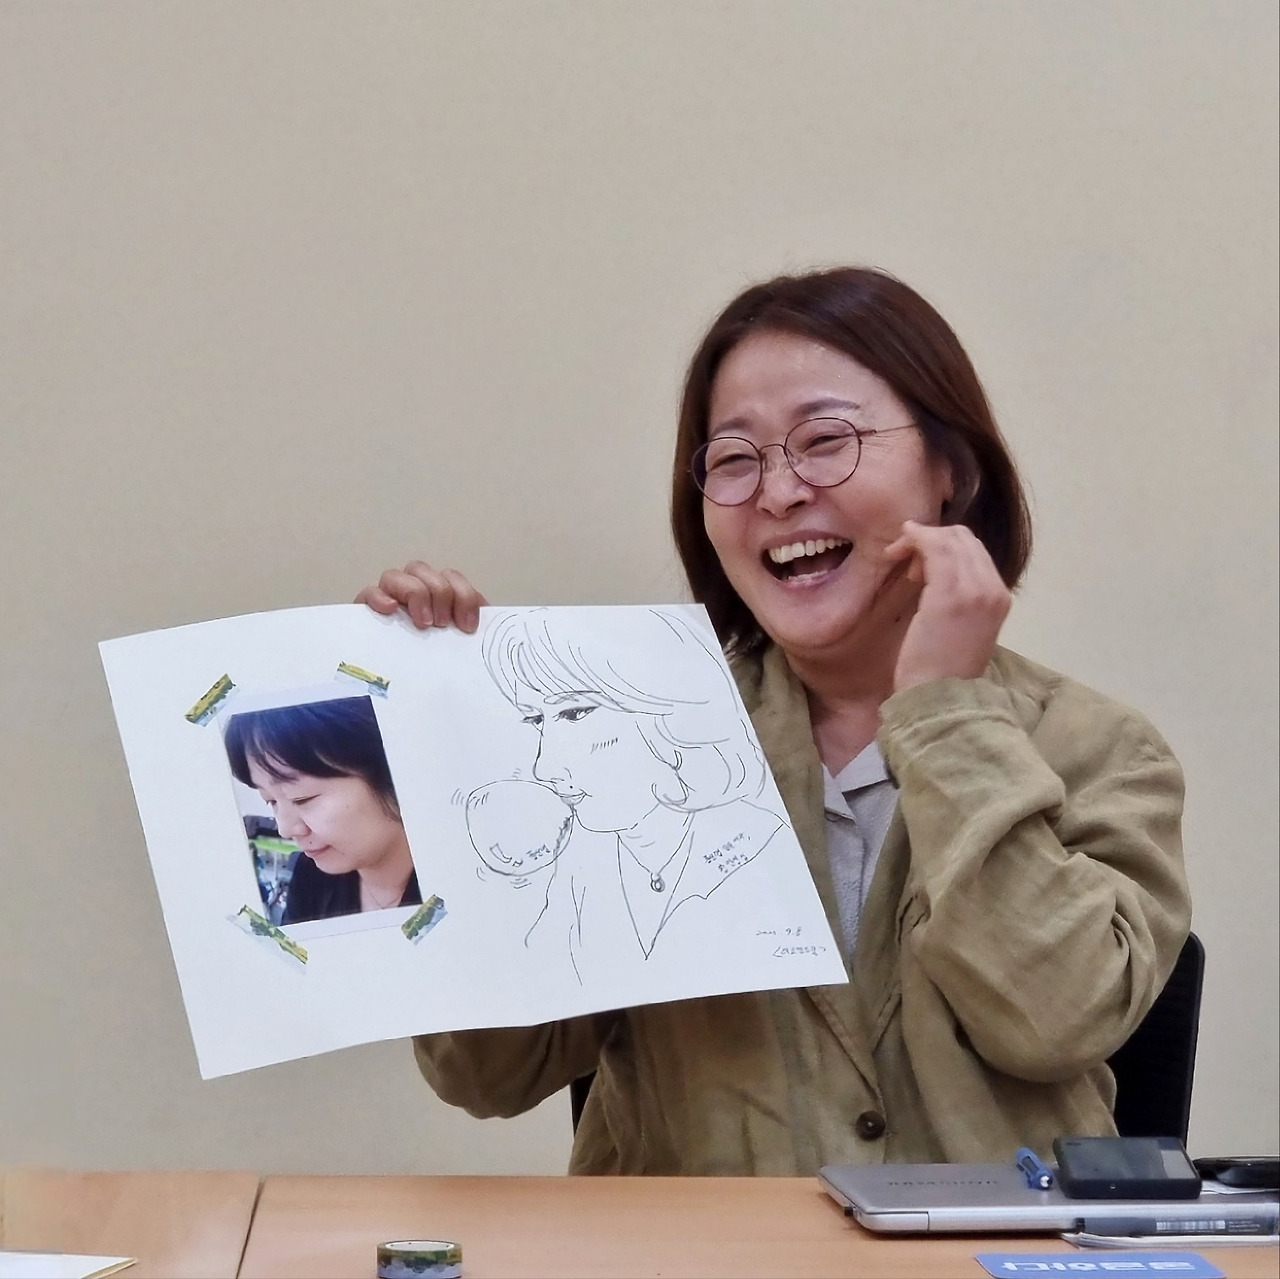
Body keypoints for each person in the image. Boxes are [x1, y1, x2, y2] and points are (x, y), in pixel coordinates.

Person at [356, 266, 1190, 1175]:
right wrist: (452, 753)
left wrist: (947, 715)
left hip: (988, 1250)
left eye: (826, 440)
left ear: (951, 471)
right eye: (734, 459)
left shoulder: (1097, 750)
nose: (780, 491)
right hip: (693, 1247)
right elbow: (485, 1071)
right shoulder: (635, 732)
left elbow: (1056, 1018)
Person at [479, 607, 785, 964]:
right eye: (536, 719)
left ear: (667, 709)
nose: (544, 767)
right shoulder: (582, 864)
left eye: (574, 713)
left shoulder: (765, 848)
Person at [223, 696, 422, 924]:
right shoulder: (309, 877)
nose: (285, 829)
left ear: (391, 774)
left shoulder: (450, 882)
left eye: (302, 798)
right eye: (271, 801)